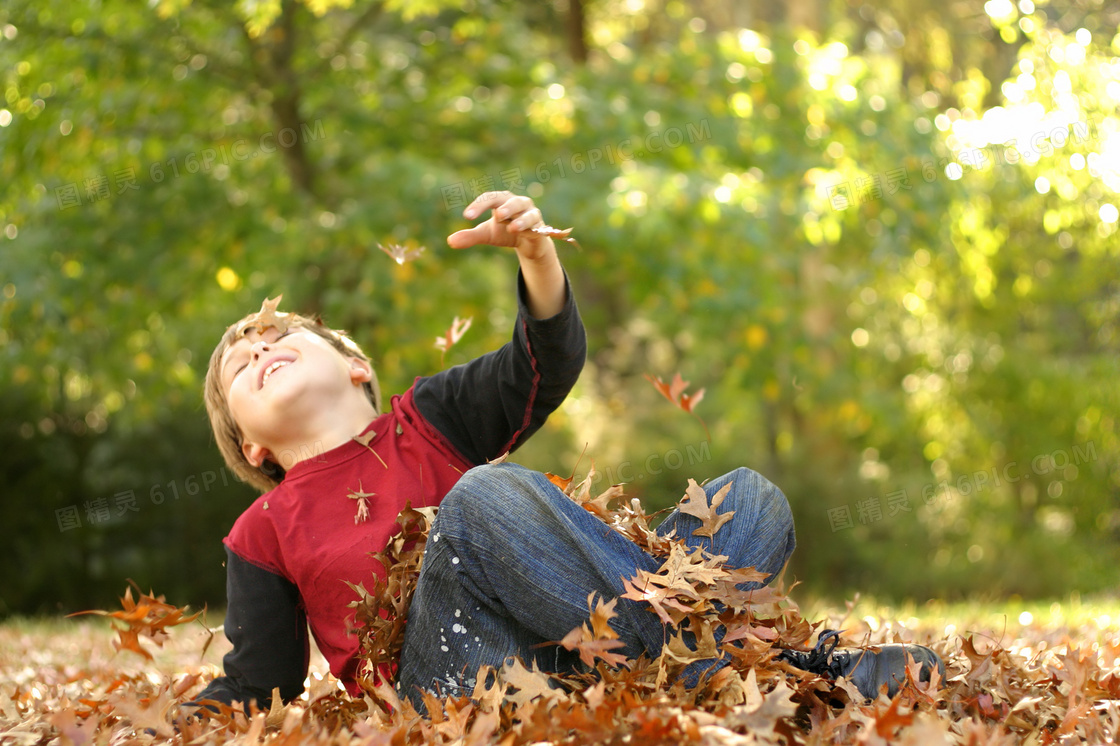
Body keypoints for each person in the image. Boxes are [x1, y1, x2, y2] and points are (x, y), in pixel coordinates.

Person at [187, 188, 942, 715]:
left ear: (354, 367)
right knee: (481, 497)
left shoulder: (429, 419)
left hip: (579, 652)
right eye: (239, 366)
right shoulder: (263, 532)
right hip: (458, 689)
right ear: (250, 444)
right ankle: (750, 675)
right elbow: (257, 686)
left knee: (750, 497)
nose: (261, 350)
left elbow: (541, 366)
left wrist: (537, 261)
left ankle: (689, 677)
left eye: (279, 337)